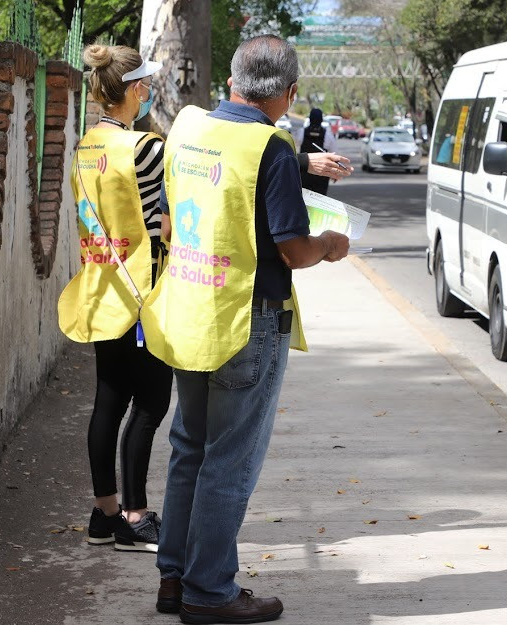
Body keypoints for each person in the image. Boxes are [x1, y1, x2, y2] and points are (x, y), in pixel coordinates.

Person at [139, 35, 349, 623]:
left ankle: (174, 578)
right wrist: (330, 244)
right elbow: (294, 250)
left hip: (190, 311)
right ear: (290, 93)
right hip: (247, 322)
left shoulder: (188, 128)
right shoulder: (272, 147)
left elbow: (175, 217)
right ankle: (210, 591)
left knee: (189, 448)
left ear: (231, 81)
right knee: (229, 461)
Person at [57, 44, 173, 553]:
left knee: (109, 400)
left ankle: (105, 515)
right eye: (148, 85)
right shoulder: (145, 148)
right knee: (151, 402)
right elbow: (160, 222)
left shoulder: (86, 146)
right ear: (137, 89)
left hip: (102, 288)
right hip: (143, 294)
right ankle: (135, 516)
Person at [295, 107, 338, 195]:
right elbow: (333, 154)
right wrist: (335, 172)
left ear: (310, 119)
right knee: (320, 200)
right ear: (321, 120)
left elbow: (294, 146)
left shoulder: (301, 132)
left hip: (304, 173)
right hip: (321, 175)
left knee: (303, 199)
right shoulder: (328, 135)